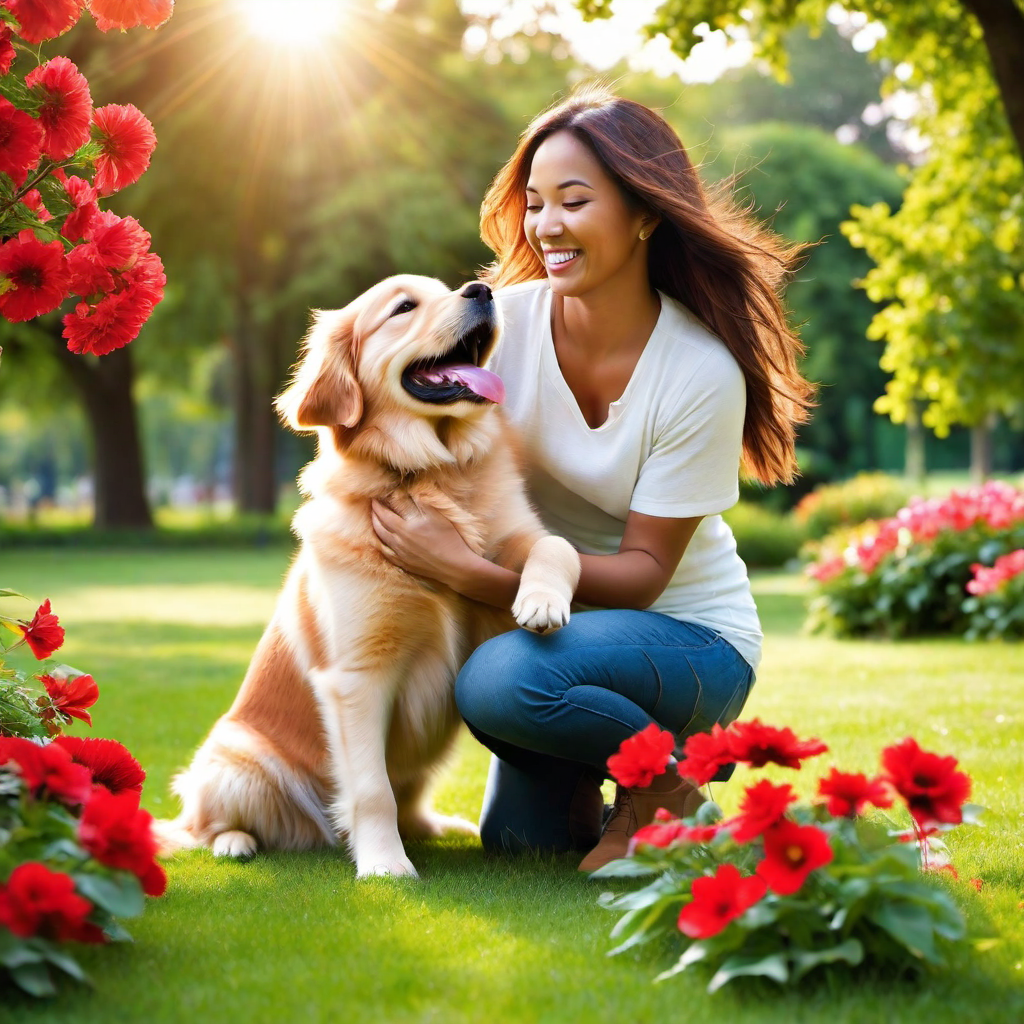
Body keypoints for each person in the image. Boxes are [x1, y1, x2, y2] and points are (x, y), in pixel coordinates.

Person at [370, 86, 814, 871]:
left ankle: (668, 789)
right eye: (535, 203)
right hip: (558, 631)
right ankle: (597, 775)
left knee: (498, 683)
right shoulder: (499, 328)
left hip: (689, 641)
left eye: (573, 201)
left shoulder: (699, 371)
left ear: (644, 213)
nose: (546, 227)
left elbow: (644, 577)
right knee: (519, 845)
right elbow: (395, 406)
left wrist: (468, 573)